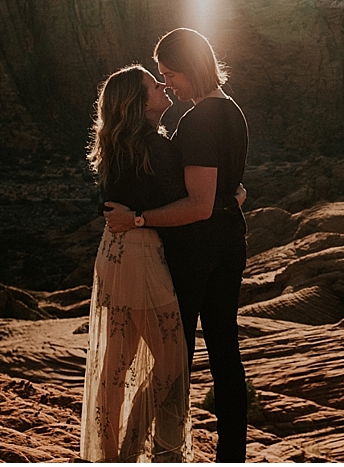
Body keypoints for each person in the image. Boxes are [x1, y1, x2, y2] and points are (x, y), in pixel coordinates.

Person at [105, 27, 250, 463]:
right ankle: (231, 456)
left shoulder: (201, 119)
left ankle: (136, 451)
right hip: (228, 243)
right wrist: (232, 199)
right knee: (224, 349)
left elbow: (199, 204)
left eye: (171, 74)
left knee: (173, 358)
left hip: (197, 252)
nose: (168, 84)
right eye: (161, 77)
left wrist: (139, 219)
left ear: (193, 68)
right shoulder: (232, 111)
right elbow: (226, 189)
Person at [80, 64, 192, 462]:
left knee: (116, 363)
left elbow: (115, 200)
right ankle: (131, 448)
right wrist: (232, 198)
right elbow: (189, 203)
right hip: (141, 255)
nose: (163, 86)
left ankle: (108, 457)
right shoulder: (154, 148)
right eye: (153, 84)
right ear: (138, 103)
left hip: (112, 252)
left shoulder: (118, 144)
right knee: (174, 356)